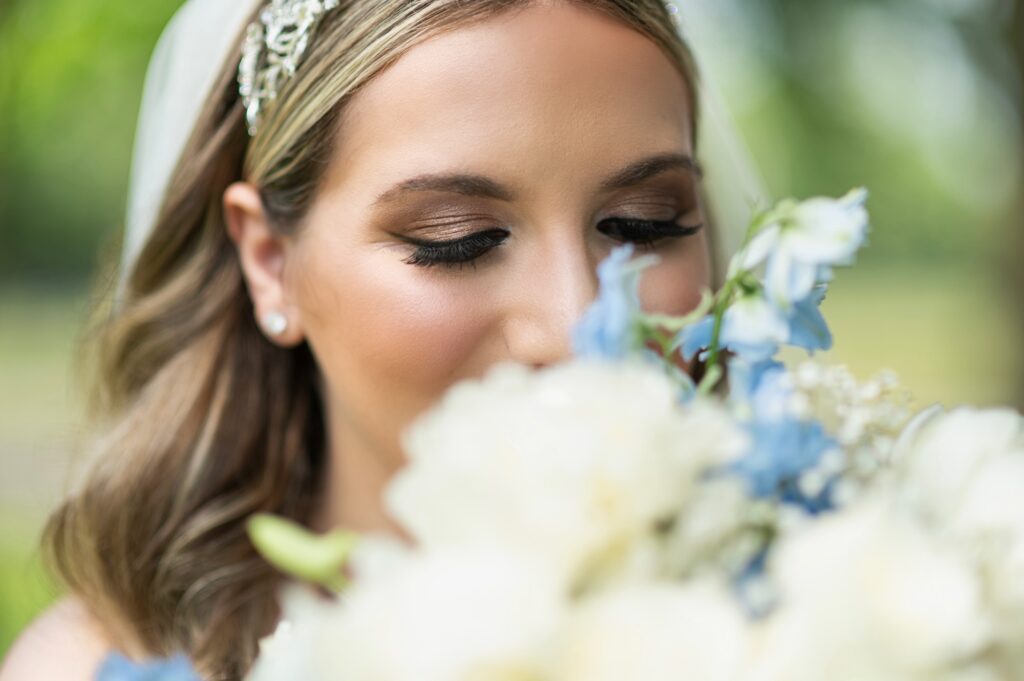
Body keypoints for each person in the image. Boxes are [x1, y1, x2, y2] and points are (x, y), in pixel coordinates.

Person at [0, 0, 767, 679]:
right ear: (270, 263)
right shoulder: (97, 668)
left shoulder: (798, 611)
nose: (577, 324)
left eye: (643, 224)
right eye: (458, 240)